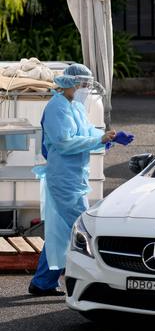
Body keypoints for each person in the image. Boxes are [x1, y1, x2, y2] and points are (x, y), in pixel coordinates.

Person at [28, 64, 133, 296]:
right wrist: (100, 139)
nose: (86, 88)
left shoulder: (73, 105)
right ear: (71, 83)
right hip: (63, 178)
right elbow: (65, 143)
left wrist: (110, 137)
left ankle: (43, 282)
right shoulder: (57, 108)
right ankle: (97, 282)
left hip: (73, 178)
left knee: (63, 231)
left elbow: (86, 132)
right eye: (83, 84)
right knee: (81, 229)